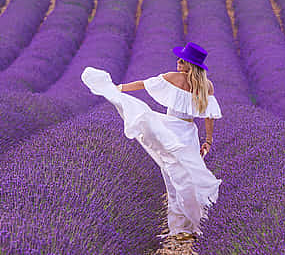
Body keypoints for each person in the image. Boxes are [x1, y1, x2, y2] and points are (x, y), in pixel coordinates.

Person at [80, 42, 222, 239]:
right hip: (189, 132)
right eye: (179, 59)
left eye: (183, 60)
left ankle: (179, 227)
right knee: (189, 176)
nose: (178, 62)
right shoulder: (208, 85)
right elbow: (209, 116)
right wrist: (208, 140)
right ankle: (194, 223)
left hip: (169, 128)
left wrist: (118, 88)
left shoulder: (174, 77)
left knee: (173, 176)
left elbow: (143, 84)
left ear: (191, 65)